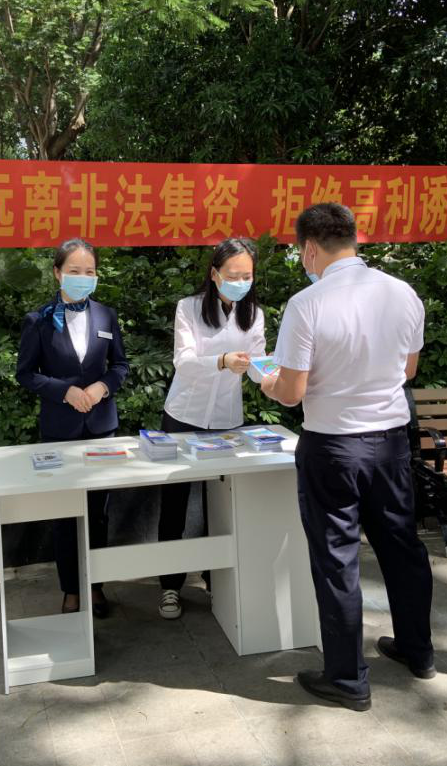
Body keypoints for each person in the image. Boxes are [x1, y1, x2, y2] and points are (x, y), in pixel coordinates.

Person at [260, 202, 433, 712]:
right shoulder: (402, 292)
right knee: (401, 546)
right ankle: (418, 650)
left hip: (333, 446)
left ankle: (347, 678)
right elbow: (408, 370)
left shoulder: (307, 303)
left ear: (310, 248)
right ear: (353, 240)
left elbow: (292, 392)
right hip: (391, 443)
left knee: (337, 559)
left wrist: (268, 383)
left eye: (300, 251)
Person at [16, 238, 129, 617]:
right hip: (60, 430)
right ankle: (71, 589)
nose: (83, 277)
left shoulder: (106, 316)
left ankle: (95, 586)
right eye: (75, 271)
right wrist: (64, 391)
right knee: (65, 515)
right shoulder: (38, 320)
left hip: (101, 429)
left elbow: (120, 366)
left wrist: (102, 387)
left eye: (90, 271)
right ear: (57, 273)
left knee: (98, 513)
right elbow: (25, 373)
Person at [157, 237, 267, 620]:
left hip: (225, 420)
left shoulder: (253, 314)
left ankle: (216, 579)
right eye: (233, 275)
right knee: (174, 502)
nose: (240, 282)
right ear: (215, 274)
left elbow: (258, 364)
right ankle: (170, 585)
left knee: (220, 503)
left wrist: (274, 375)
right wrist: (221, 360)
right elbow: (184, 362)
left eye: (247, 276)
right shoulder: (188, 308)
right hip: (183, 416)